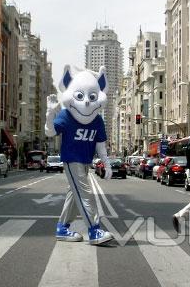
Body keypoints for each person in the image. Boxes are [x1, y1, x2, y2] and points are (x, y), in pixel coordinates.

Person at [44, 65, 113, 245]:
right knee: (85, 193)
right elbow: (50, 132)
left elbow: (100, 144)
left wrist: (107, 163)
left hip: (85, 161)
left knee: (74, 194)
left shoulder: (97, 120)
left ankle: (62, 227)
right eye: (82, 96)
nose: (88, 102)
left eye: (91, 97)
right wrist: (50, 114)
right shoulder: (67, 115)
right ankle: (94, 230)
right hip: (71, 159)